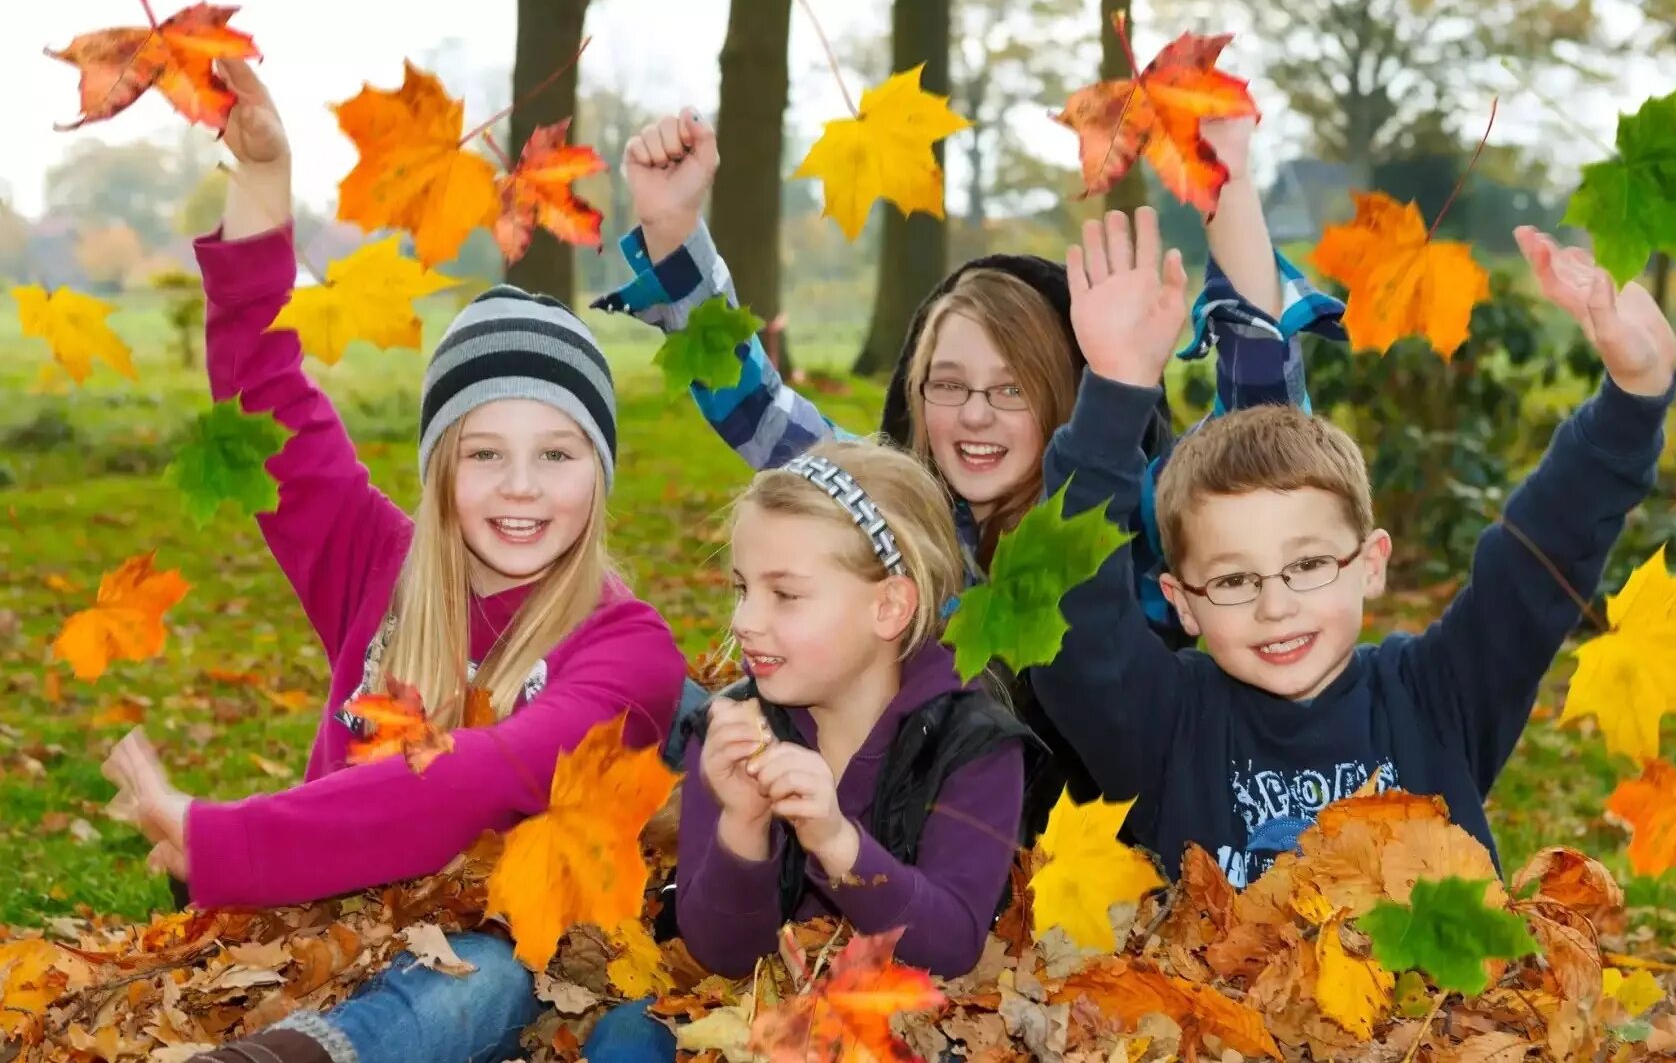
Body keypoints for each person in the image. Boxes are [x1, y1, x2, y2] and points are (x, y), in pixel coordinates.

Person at [100, 58, 686, 1063]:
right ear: (439, 468)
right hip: (317, 931)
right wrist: (261, 187)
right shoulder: (382, 565)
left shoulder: (628, 653)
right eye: (484, 453)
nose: (519, 488)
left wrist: (225, 842)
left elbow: (465, 784)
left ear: (601, 473)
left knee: (480, 977)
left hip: (511, 958)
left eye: (557, 455)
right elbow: (265, 404)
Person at [600, 109, 1345, 834]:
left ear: (1061, 393)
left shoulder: (1124, 517)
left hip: (1092, 861)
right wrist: (672, 229)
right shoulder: (893, 508)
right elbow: (753, 402)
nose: (975, 414)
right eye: (948, 384)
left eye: (1011, 388)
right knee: (652, 698)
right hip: (894, 840)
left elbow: (1261, 426)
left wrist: (1231, 188)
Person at [1031, 213, 1676, 887]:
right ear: (1181, 602)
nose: (1275, 606)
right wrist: (1114, 391)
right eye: (1232, 582)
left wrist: (1633, 398)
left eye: (1308, 565)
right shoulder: (1167, 723)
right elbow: (1072, 618)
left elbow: (1534, 562)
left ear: (1370, 563)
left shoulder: (1436, 699)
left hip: (1435, 996)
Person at [585, 438, 1031, 1060]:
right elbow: (722, 955)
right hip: (759, 1013)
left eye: (785, 595)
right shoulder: (735, 727)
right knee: (627, 1036)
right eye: (742, 588)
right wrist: (743, 824)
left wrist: (834, 841)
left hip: (901, 1026)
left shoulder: (971, 745)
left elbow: (953, 946)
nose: (743, 620)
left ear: (888, 607)